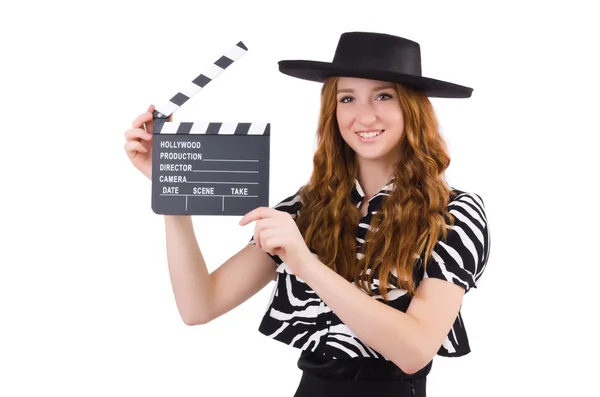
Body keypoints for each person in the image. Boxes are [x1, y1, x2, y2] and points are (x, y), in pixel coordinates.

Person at [124, 31, 491, 397]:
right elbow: (199, 306)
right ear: (333, 110)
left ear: (412, 108)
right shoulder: (306, 209)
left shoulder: (454, 214)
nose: (364, 115)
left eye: (383, 96)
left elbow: (414, 350)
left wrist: (307, 264)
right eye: (347, 98)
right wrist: (170, 188)